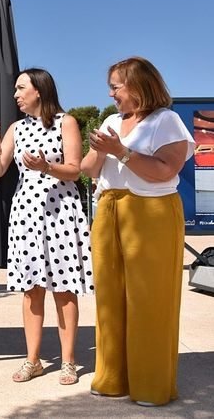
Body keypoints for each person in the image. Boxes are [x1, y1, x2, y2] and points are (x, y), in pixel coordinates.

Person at [81, 56, 194, 407]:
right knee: (109, 298)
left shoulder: (166, 121)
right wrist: (99, 152)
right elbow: (89, 169)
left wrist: (121, 151)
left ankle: (150, 384)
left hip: (151, 212)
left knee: (150, 300)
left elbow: (165, 170)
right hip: (109, 208)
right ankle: (112, 377)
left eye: (116, 86)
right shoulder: (111, 121)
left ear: (138, 85)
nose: (111, 94)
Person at [0, 68, 93, 385]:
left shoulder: (66, 122)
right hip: (26, 214)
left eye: (21, 88)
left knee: (64, 289)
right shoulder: (17, 128)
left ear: (39, 90)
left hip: (61, 212)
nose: (16, 95)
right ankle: (32, 360)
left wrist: (46, 166)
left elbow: (74, 170)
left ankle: (68, 361)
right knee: (31, 290)